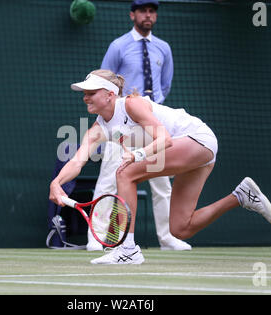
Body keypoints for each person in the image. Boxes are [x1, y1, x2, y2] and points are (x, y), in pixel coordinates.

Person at [49, 70, 271, 264]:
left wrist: (136, 155)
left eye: (91, 93)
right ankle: (240, 196)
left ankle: (127, 249)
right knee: (180, 228)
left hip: (197, 139)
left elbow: (165, 139)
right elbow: (77, 161)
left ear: (110, 95)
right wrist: (57, 182)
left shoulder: (131, 104)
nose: (85, 98)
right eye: (84, 94)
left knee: (125, 172)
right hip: (194, 153)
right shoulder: (98, 128)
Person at [86, 0, 190, 251]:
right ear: (132, 14)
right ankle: (95, 238)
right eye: (143, 11)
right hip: (122, 123)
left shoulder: (163, 49)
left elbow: (164, 85)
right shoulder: (118, 46)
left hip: (150, 122)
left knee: (162, 185)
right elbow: (104, 83)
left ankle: (167, 238)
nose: (148, 15)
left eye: (152, 11)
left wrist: (147, 109)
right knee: (109, 179)